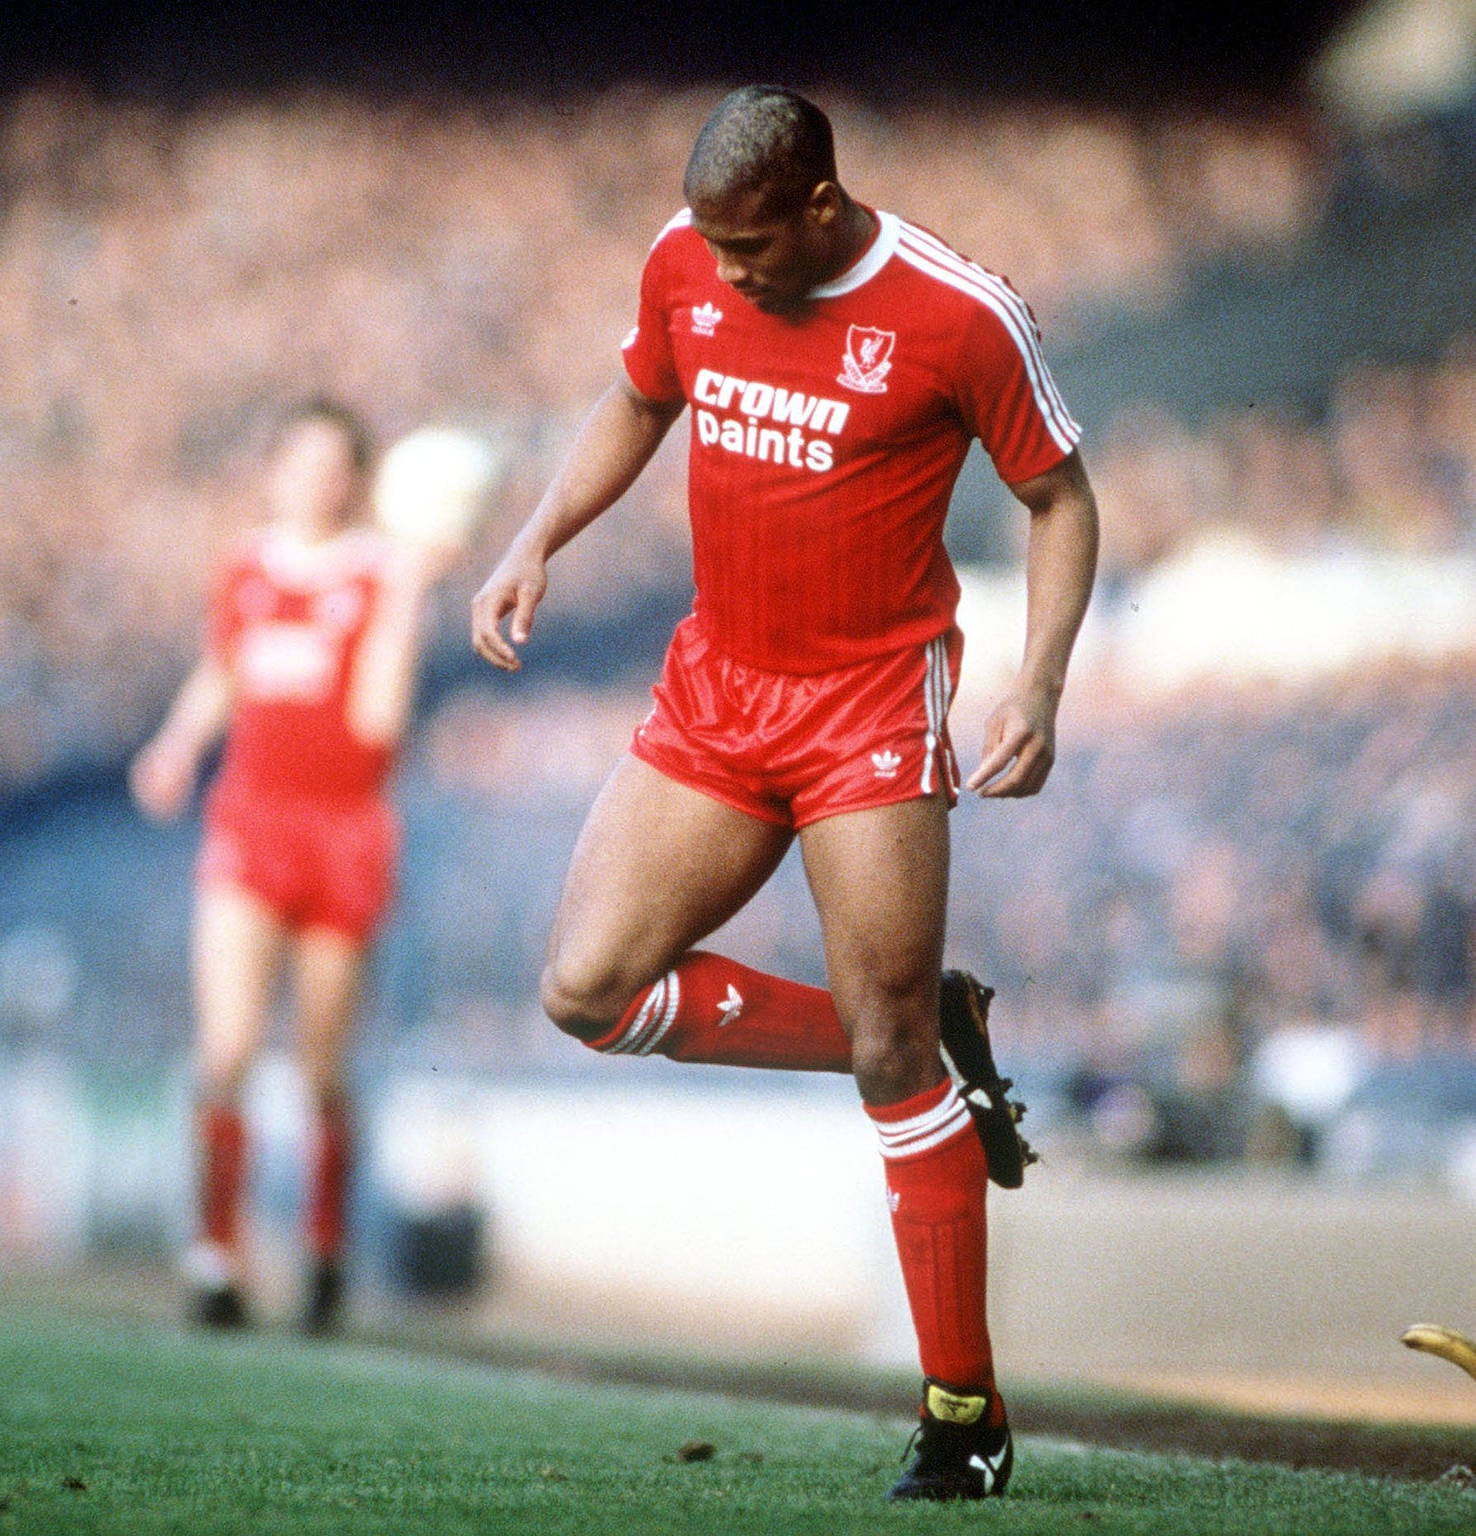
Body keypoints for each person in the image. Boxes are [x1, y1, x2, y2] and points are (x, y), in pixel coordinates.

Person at [471, 86, 1099, 1501]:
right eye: (716, 247)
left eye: (754, 247)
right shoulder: (685, 256)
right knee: (589, 990)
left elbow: (1062, 498)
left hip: (869, 706)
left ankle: (964, 1417)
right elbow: (639, 397)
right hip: (719, 690)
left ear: (820, 204)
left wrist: (1040, 686)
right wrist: (537, 537)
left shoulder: (958, 313)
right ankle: (917, 1041)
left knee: (889, 1069)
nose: (731, 272)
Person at [133, 400, 438, 1334]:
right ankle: (215, 1258)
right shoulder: (247, 564)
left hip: (344, 829)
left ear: (356, 479)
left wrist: (407, 601)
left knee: (319, 1065)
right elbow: (223, 667)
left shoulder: (385, 570)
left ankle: (324, 1251)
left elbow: (380, 724)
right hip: (251, 821)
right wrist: (177, 744)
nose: (315, 479)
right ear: (273, 470)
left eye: (332, 463)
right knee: (224, 1048)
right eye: (298, 460)